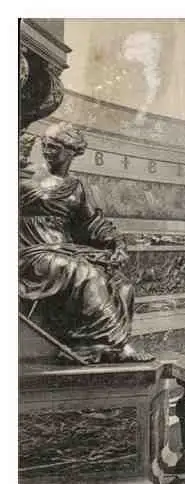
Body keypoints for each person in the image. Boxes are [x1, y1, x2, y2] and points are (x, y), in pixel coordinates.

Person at [19, 122, 152, 364]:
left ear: (72, 151)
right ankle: (117, 345)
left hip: (65, 249)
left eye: (54, 147)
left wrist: (117, 243)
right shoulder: (26, 176)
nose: (47, 150)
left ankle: (93, 346)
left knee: (121, 283)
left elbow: (92, 223)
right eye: (45, 145)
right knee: (87, 274)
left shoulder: (76, 186)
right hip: (32, 251)